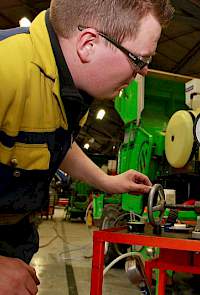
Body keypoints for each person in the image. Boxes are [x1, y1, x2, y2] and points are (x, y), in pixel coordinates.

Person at [0, 0, 174, 294]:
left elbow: (56, 143)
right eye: (139, 59)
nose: (143, 72)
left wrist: (107, 181)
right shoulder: (6, 70)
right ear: (89, 44)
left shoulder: (66, 83)